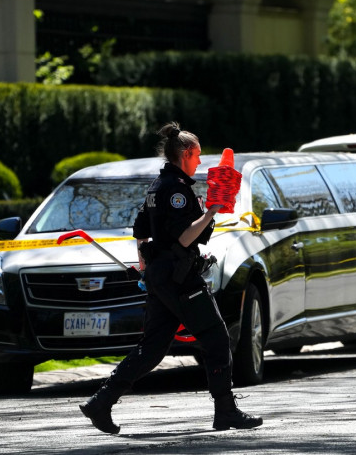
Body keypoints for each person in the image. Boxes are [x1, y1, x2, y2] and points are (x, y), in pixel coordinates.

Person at [79, 121, 263, 434]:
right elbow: (183, 238)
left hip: (162, 277)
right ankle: (226, 411)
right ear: (186, 154)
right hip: (180, 280)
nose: (201, 162)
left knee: (152, 348)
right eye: (198, 155)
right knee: (217, 338)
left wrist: (145, 267)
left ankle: (101, 402)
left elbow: (140, 231)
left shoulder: (157, 187)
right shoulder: (176, 191)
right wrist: (211, 211)